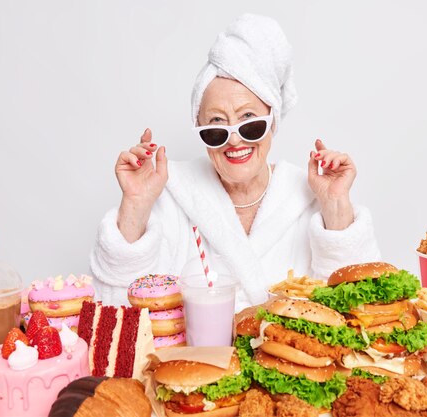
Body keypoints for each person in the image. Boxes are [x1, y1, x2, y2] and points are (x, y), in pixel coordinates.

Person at [91, 14, 380, 309]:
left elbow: (366, 312)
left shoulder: (308, 196)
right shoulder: (171, 195)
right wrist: (136, 205)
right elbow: (117, 310)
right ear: (200, 129)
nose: (234, 140)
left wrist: (335, 207)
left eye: (249, 122)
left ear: (273, 122)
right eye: (216, 125)